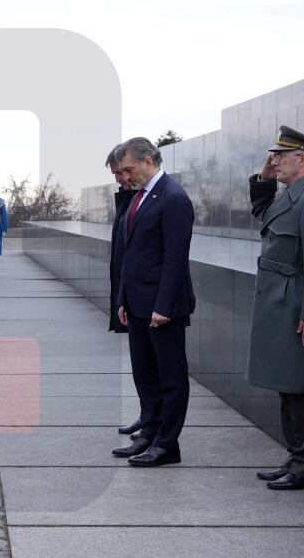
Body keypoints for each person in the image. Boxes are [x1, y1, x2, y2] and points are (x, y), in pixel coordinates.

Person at [247, 126, 304, 491]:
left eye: (281, 157)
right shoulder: (293, 194)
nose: (275, 161)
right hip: (280, 305)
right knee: (287, 384)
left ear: (302, 159)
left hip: (298, 307)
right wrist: (264, 179)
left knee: (301, 386)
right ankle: (297, 456)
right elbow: (264, 215)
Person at [112, 137, 195, 467]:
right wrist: (123, 299)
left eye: (129, 169)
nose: (126, 176)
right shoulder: (140, 197)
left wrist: (164, 306)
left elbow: (175, 259)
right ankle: (150, 431)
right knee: (145, 374)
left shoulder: (173, 199)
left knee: (170, 377)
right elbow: (130, 255)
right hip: (137, 304)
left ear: (149, 161)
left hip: (163, 307)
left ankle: (167, 443)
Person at [105, 145, 143, 438]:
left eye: (123, 171)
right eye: (116, 174)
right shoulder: (130, 198)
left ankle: (156, 426)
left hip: (151, 300)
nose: (119, 178)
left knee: (157, 369)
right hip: (130, 296)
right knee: (142, 366)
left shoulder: (163, 198)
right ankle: (148, 416)